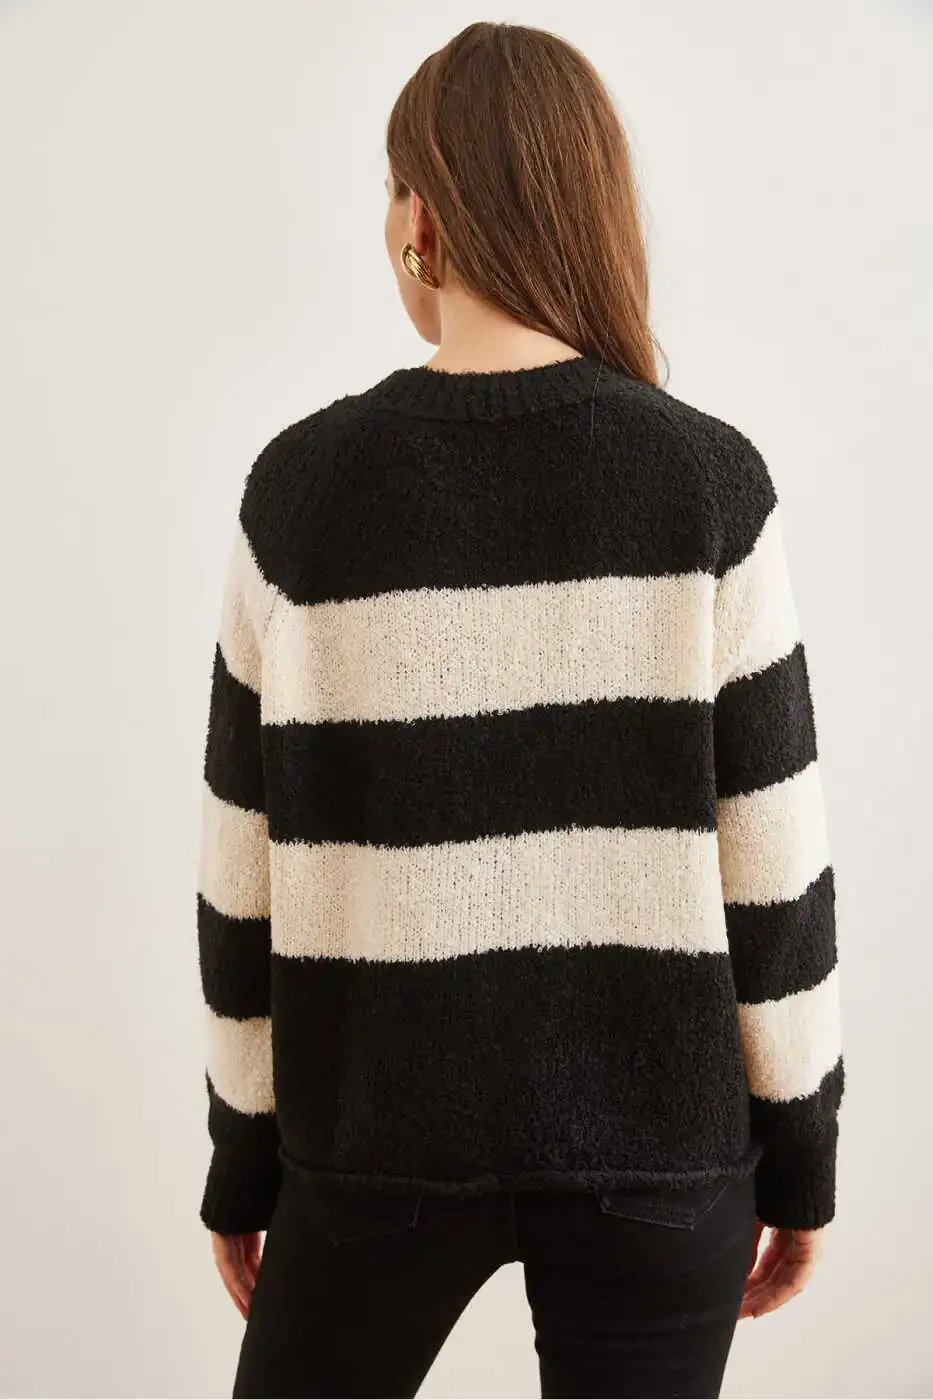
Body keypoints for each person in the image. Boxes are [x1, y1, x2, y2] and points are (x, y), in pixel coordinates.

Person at [194, 21, 845, 1399]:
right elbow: (774, 867)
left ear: (419, 219)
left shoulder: (301, 492)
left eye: (390, 189)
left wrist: (242, 1159)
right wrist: (802, 1153)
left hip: (369, 1148)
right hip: (662, 1157)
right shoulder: (708, 484)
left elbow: (242, 879)